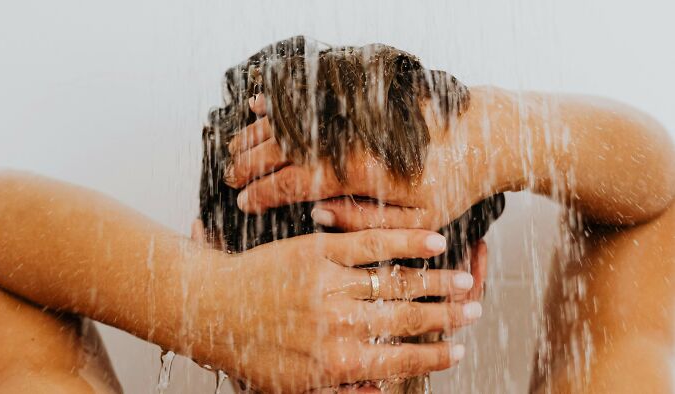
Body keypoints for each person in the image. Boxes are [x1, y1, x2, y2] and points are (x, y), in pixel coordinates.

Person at [229, 72, 675, 392]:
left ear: (204, 248)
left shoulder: (194, 304)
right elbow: (656, 204)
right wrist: (490, 131)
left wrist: (205, 292)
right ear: (471, 276)